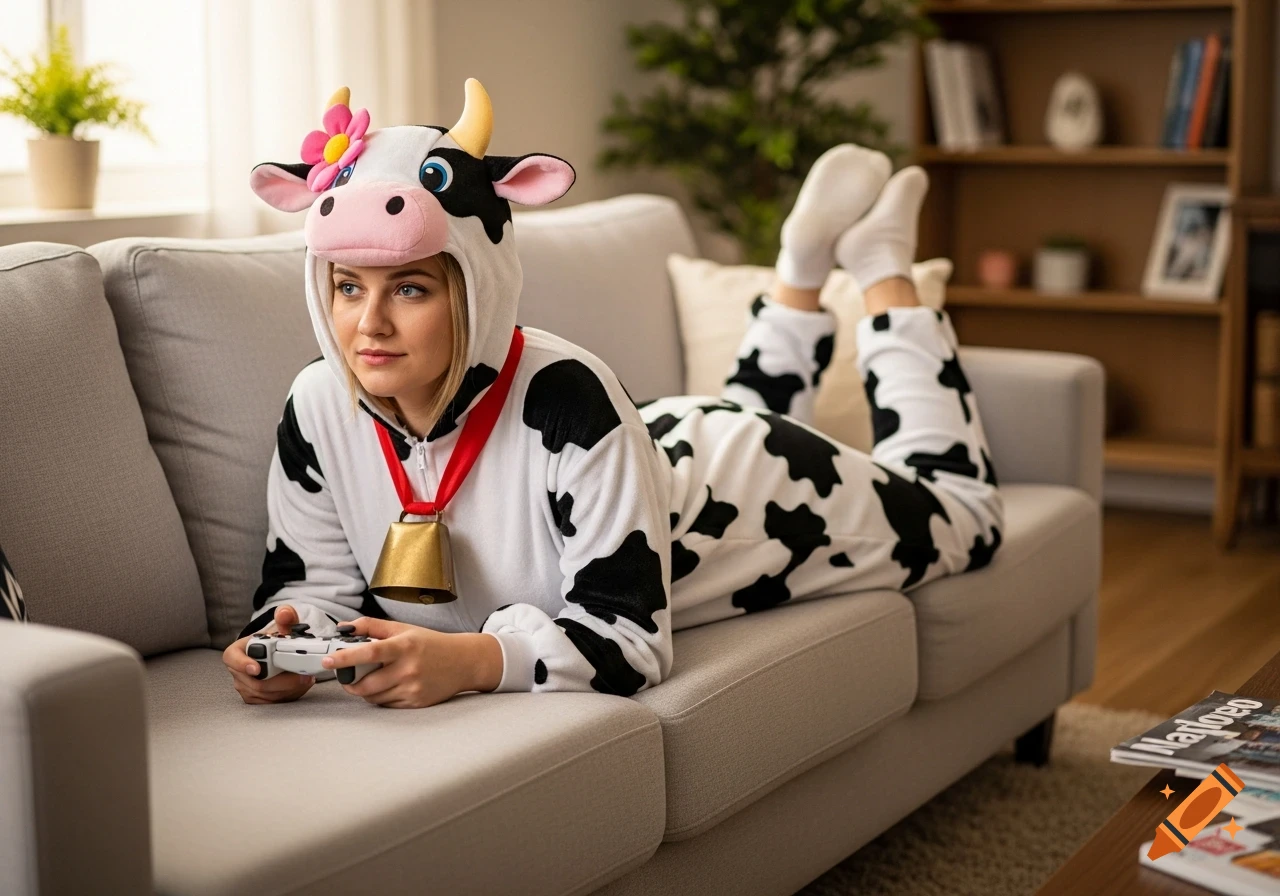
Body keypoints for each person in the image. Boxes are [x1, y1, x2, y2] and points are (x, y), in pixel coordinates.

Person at [223, 81, 1003, 708]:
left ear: (474, 285)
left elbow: (631, 641)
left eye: (411, 288)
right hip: (649, 448)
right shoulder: (317, 405)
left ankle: (881, 269)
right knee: (751, 404)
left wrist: (471, 662)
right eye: (347, 286)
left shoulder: (570, 397)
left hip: (739, 490)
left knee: (966, 516)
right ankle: (798, 272)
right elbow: (310, 583)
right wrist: (283, 643)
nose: (369, 324)